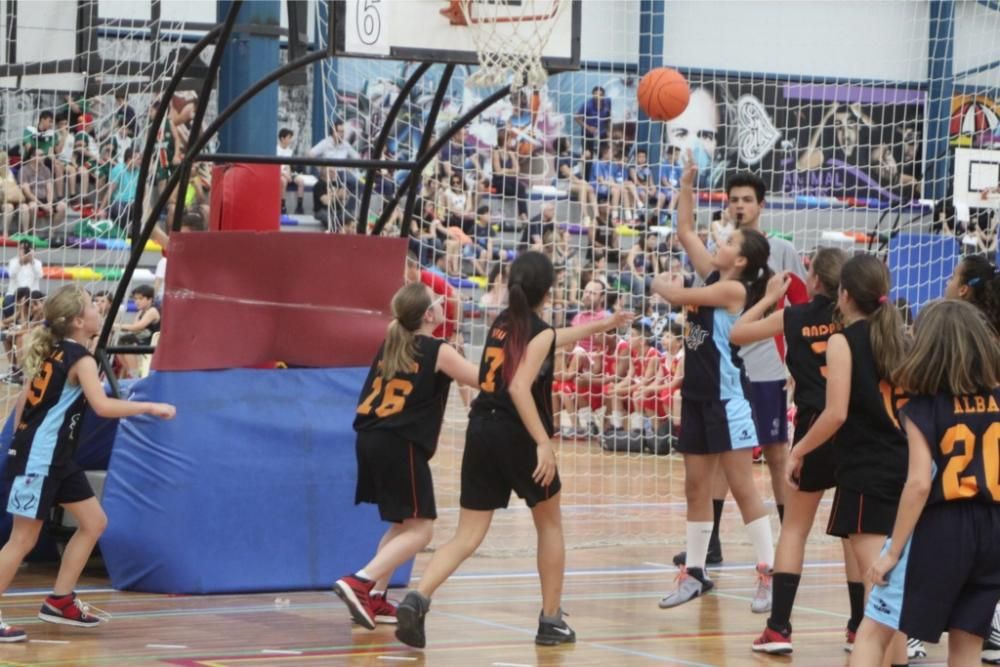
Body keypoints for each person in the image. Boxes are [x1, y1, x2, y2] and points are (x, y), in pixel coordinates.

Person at [394, 251, 632, 649]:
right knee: (550, 523)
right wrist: (543, 443)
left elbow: (549, 340)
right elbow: (522, 386)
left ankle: (418, 599)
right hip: (517, 433)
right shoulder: (535, 331)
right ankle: (551, 620)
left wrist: (605, 325)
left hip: (480, 429)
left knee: (467, 535)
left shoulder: (502, 324)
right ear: (549, 289)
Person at [0, 286, 175, 642]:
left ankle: (60, 601)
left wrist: (22, 432)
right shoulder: (79, 358)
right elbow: (104, 407)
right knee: (22, 539)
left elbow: (22, 401)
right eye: (91, 306)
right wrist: (149, 407)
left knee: (94, 522)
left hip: (56, 458)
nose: (99, 309)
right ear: (79, 321)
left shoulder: (54, 351)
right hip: (40, 458)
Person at [651, 158, 775, 611]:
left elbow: (678, 295)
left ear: (739, 259)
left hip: (727, 400)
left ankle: (768, 573)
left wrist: (658, 283)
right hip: (698, 398)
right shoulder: (715, 275)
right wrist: (687, 186)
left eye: (726, 240)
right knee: (694, 487)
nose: (717, 240)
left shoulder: (734, 291)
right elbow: (685, 231)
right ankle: (696, 573)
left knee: (742, 487)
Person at [730, 248, 867, 654]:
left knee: (795, 529)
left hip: (813, 427)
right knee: (854, 532)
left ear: (814, 281)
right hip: (855, 428)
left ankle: (779, 628)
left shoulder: (795, 316)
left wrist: (771, 298)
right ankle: (860, 627)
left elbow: (736, 332)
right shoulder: (858, 321)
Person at [850, 299, 1000, 667]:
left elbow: (918, 485)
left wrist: (891, 553)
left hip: (942, 528)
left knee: (874, 630)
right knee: (967, 643)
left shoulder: (923, 408)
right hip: (993, 529)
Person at [673, 171, 806, 569]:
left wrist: (800, 362)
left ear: (761, 205)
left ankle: (788, 539)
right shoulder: (721, 258)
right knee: (717, 460)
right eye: (734, 199)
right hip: (723, 374)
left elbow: (800, 307)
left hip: (764, 368)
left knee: (776, 454)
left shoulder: (781, 250)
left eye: (747, 199)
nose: (739, 205)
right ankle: (710, 544)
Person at [784, 253, 910, 667]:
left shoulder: (845, 340)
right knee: (889, 593)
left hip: (866, 473)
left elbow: (835, 413)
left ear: (844, 294)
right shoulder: (901, 338)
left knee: (880, 599)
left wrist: (799, 449)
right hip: (904, 468)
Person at [333, 283, 480, 630]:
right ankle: (360, 581)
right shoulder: (437, 350)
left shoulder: (393, 344)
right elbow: (481, 379)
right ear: (428, 314)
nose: (443, 303)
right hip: (398, 442)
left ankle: (376, 596)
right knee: (423, 529)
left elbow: (460, 386)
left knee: (402, 525)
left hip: (370, 439)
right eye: (437, 302)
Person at [942, 255, 1000, 664]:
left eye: (952, 276)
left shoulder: (955, 335)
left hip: (957, 474)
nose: (947, 281)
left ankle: (909, 630)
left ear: (963, 289)